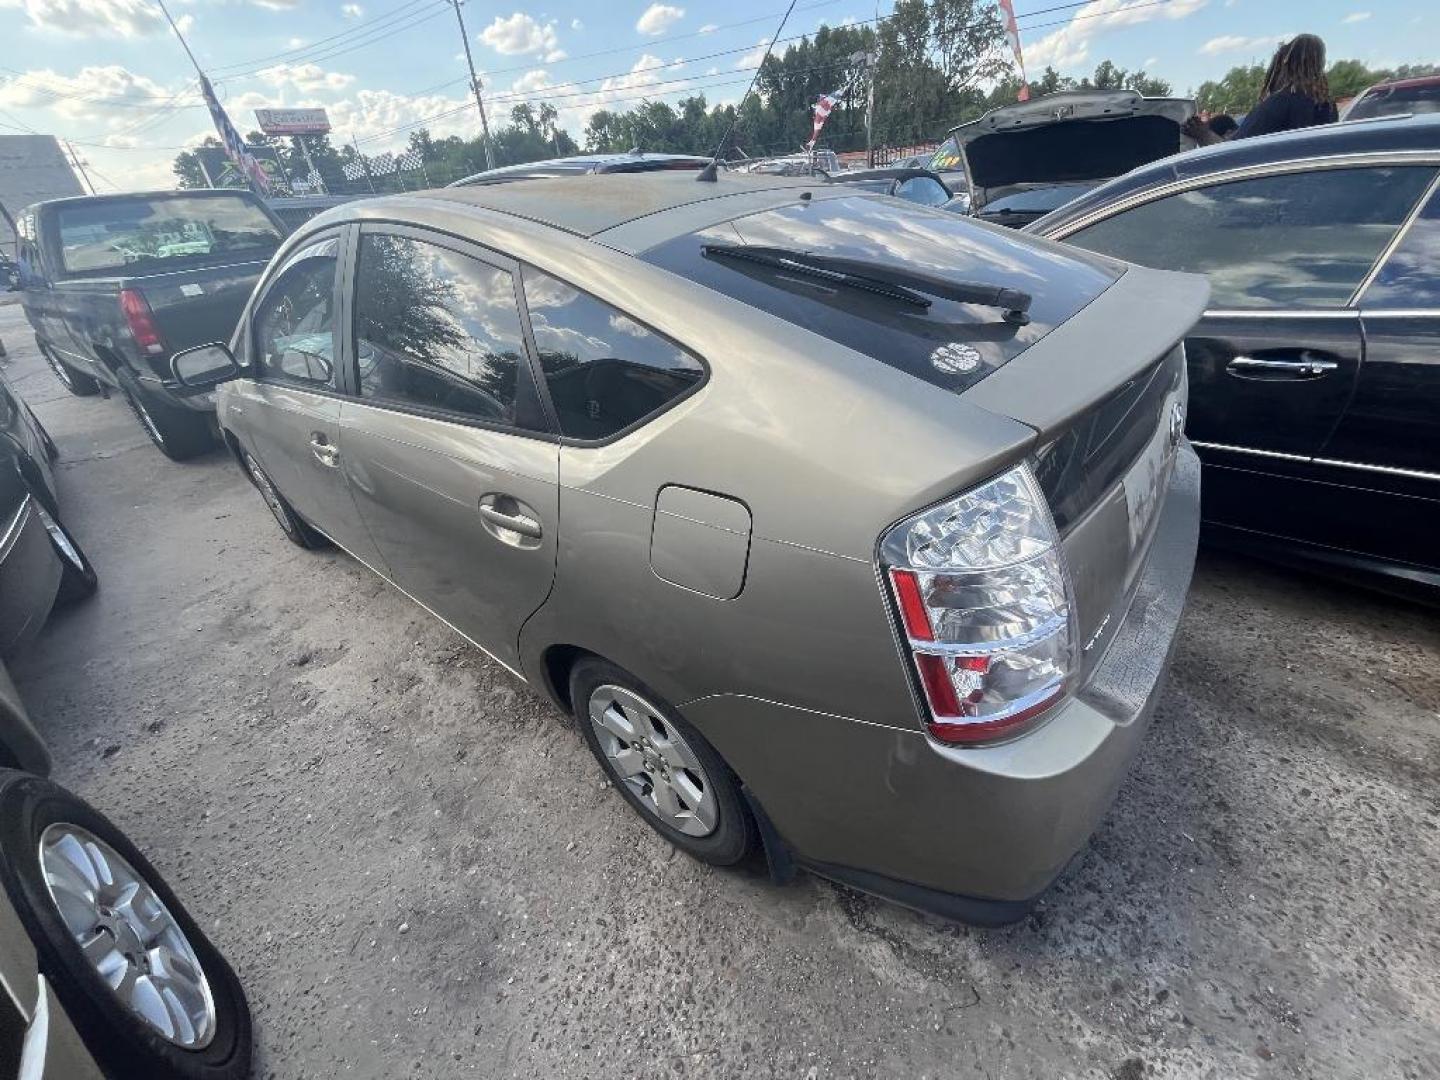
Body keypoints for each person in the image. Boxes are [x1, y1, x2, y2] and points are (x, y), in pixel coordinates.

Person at [1185, 35, 1338, 145]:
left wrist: (1202, 134)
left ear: (1283, 65)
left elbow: (1233, 153)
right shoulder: (1328, 107)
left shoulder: (1279, 104)